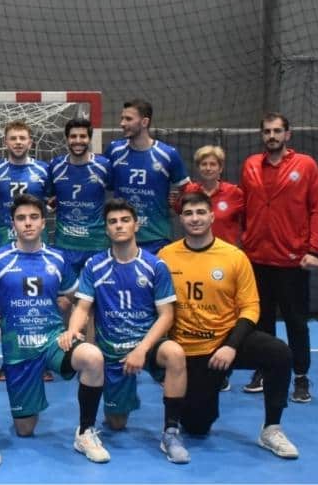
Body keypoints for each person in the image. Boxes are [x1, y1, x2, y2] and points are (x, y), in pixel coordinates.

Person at [159, 191, 299, 459]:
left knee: (279, 353)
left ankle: (271, 429)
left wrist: (231, 346)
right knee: (197, 426)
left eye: (201, 212)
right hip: (190, 349)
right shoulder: (166, 256)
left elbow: (251, 307)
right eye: (188, 213)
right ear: (181, 219)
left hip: (226, 341)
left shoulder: (234, 256)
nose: (195, 218)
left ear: (212, 216)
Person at [0, 194, 108, 463]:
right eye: (21, 218)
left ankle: (85, 431)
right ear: (12, 224)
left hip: (53, 342)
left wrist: (72, 328)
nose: (28, 223)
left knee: (93, 357)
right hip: (18, 350)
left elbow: (80, 300)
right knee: (25, 429)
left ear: (43, 223)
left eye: (34, 217)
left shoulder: (57, 259)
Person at [65, 198, 190, 464]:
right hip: (112, 351)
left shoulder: (155, 266)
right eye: (113, 222)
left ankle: (171, 433)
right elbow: (82, 306)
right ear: (106, 229)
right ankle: (103, 415)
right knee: (117, 423)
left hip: (147, 345)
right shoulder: (94, 265)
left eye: (125, 220)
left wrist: (141, 350)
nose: (119, 225)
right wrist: (73, 330)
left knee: (175, 353)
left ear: (136, 225)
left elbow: (167, 315)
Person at [239, 112, 318, 401]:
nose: (271, 136)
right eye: (267, 131)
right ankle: (264, 370)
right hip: (256, 259)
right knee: (261, 322)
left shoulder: (306, 165)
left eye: (277, 131)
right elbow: (243, 207)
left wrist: (314, 250)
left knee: (296, 322)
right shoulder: (250, 165)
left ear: (288, 134)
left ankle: (300, 377)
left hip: (292, 261)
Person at [106, 99, 189, 254]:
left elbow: (187, 189)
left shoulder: (167, 154)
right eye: (122, 118)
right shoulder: (114, 150)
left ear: (144, 122)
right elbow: (104, 184)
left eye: (128, 119)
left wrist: (177, 203)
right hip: (121, 236)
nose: (122, 123)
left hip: (156, 237)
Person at [49, 118, 112, 275]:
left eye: (83, 136)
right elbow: (47, 197)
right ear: (67, 139)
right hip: (65, 244)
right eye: (73, 136)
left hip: (96, 244)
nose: (78, 141)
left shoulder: (103, 165)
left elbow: (116, 191)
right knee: (66, 291)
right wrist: (50, 205)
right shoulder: (55, 166)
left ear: (89, 139)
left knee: (97, 290)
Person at [0, 119, 51, 245]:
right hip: (6, 237)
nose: (18, 142)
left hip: (37, 238)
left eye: (22, 138)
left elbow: (50, 200)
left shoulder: (44, 170)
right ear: (5, 142)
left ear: (30, 143)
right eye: (13, 138)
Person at [178, 145, 244, 246]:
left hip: (225, 251)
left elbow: (248, 221)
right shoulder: (189, 191)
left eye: (213, 164)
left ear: (220, 168)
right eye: (204, 164)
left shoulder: (234, 192)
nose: (208, 168)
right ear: (198, 168)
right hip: (196, 249)